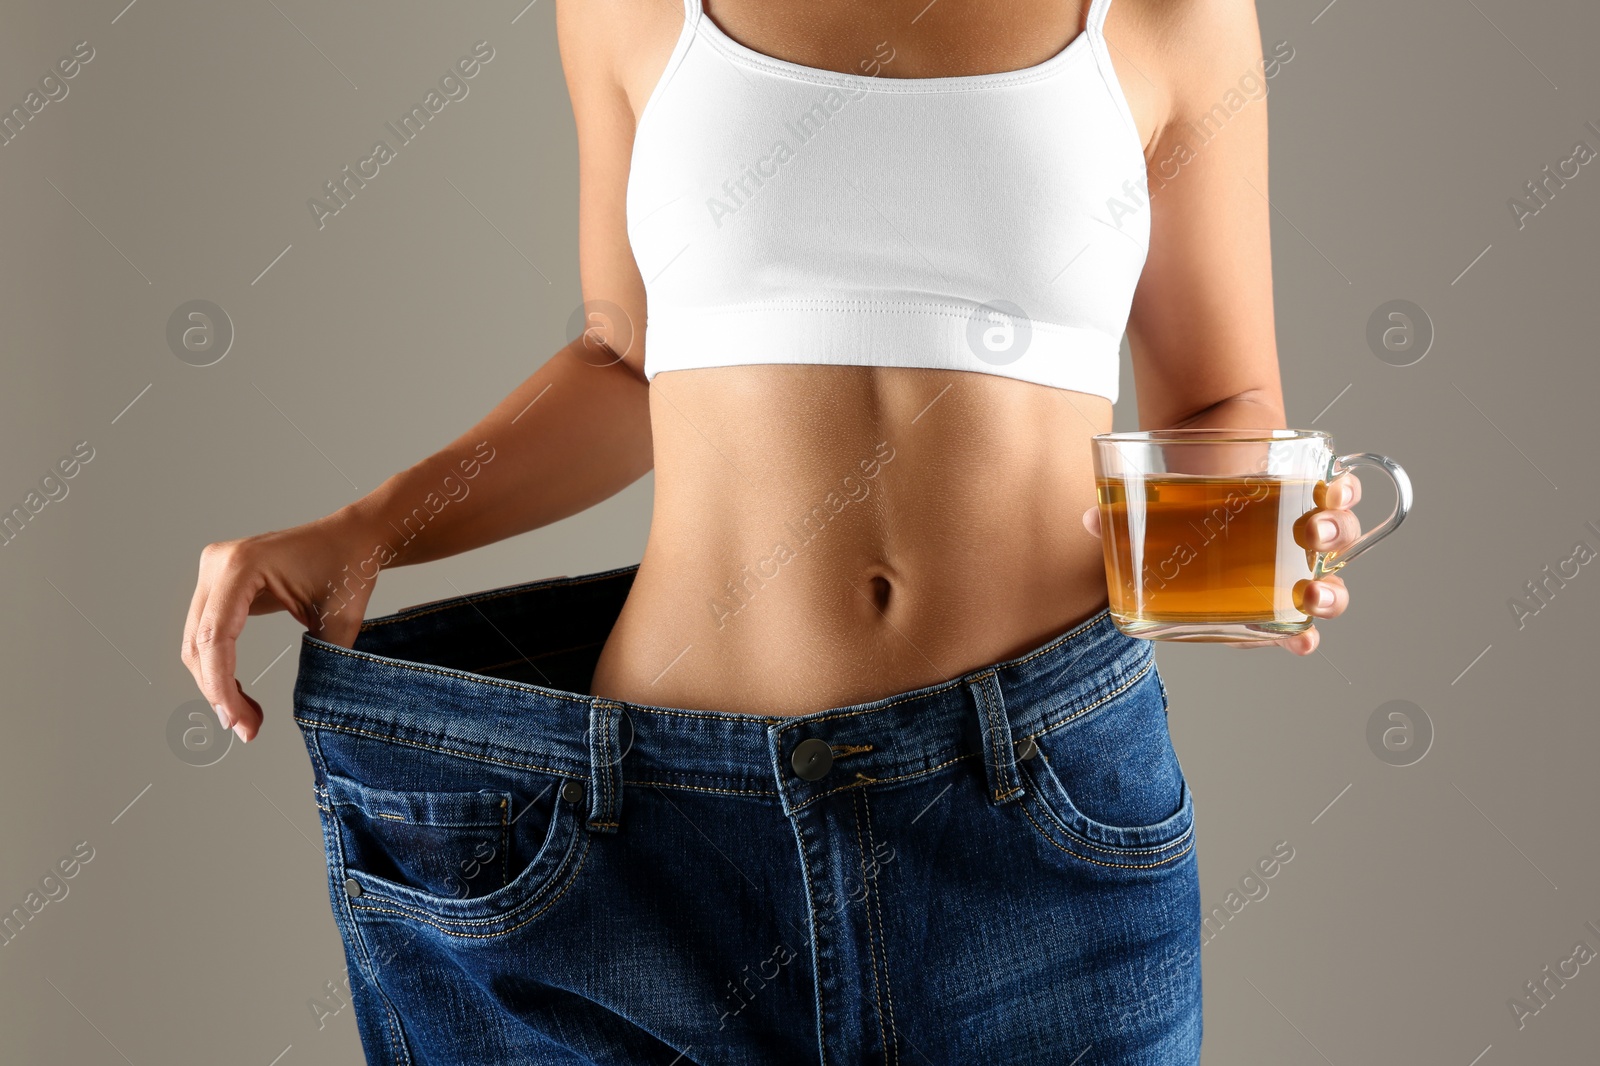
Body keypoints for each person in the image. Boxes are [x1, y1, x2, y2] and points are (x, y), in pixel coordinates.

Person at [181, 0, 1364, 1061]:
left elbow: (1218, 404)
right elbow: (624, 360)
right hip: (648, 843)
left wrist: (1254, 537)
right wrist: (374, 526)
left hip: (1037, 822)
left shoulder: (1173, 15)